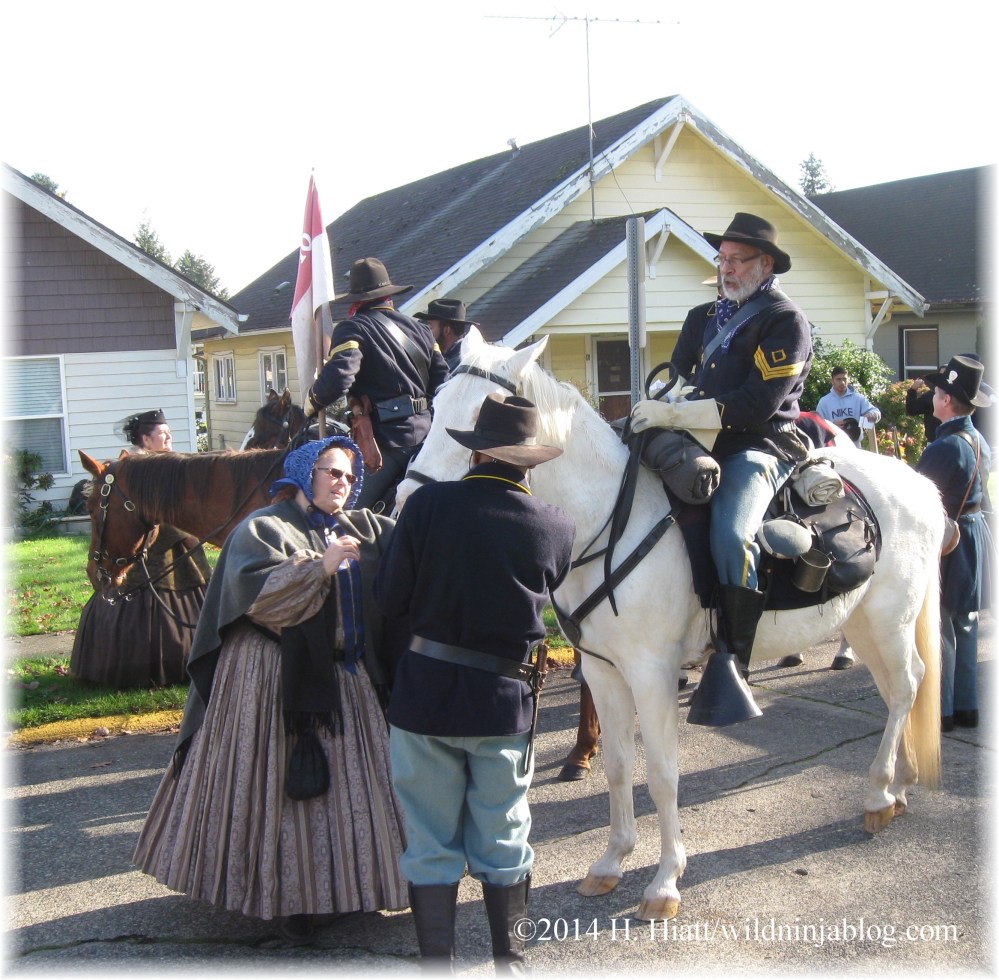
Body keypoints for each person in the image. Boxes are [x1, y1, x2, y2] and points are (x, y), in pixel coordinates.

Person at [132, 436, 408, 943]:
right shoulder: (263, 527)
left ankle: (356, 884)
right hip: (271, 681)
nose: (342, 482)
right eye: (332, 471)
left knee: (356, 790)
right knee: (282, 791)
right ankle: (289, 901)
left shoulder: (362, 527)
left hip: (348, 678)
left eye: (350, 476)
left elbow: (413, 543)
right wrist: (319, 566)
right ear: (304, 472)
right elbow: (260, 600)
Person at [374, 393, 575, 974]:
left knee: (430, 842)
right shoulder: (556, 524)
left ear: (477, 452)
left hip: (425, 697)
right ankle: (509, 963)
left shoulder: (426, 505)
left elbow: (390, 600)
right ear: (528, 461)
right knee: (505, 836)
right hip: (502, 705)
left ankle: (437, 966)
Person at [630, 212, 812, 722]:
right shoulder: (700, 317)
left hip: (757, 444)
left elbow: (757, 404)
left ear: (766, 264)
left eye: (737, 260)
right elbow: (680, 378)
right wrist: (664, 403)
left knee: (733, 535)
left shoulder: (785, 321)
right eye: (722, 259)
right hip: (695, 441)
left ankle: (733, 658)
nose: (726, 269)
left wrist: (673, 414)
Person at [70, 409, 211, 687]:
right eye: (162, 434)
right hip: (142, 551)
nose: (169, 438)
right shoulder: (134, 468)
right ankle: (140, 666)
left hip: (175, 549)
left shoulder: (167, 465)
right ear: (145, 440)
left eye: (169, 433)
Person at [304, 257, 449, 514]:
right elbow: (442, 384)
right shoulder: (421, 330)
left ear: (358, 299)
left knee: (340, 513)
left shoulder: (353, 327)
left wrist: (312, 401)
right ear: (388, 295)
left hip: (385, 442)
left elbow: (339, 378)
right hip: (429, 437)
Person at [915, 356, 992, 731]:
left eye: (936, 392)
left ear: (947, 400)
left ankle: (942, 711)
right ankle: (967, 707)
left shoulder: (943, 447)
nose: (932, 396)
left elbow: (917, 501)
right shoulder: (978, 439)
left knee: (941, 626)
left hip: (949, 540)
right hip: (974, 534)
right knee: (966, 625)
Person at [815, 366, 881, 448]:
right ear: (832, 381)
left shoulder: (857, 398)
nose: (842, 382)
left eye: (844, 379)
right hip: (834, 447)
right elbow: (817, 426)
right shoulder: (824, 402)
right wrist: (832, 426)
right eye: (838, 379)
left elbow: (876, 412)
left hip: (855, 446)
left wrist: (871, 415)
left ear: (848, 380)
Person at [414, 297, 480, 372]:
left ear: (446, 330)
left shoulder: (459, 364)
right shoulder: (451, 357)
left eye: (430, 327)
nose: (427, 333)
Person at [906, 371, 943, 443]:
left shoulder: (958, 399)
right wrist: (913, 390)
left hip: (953, 440)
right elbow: (912, 409)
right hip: (933, 440)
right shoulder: (931, 396)